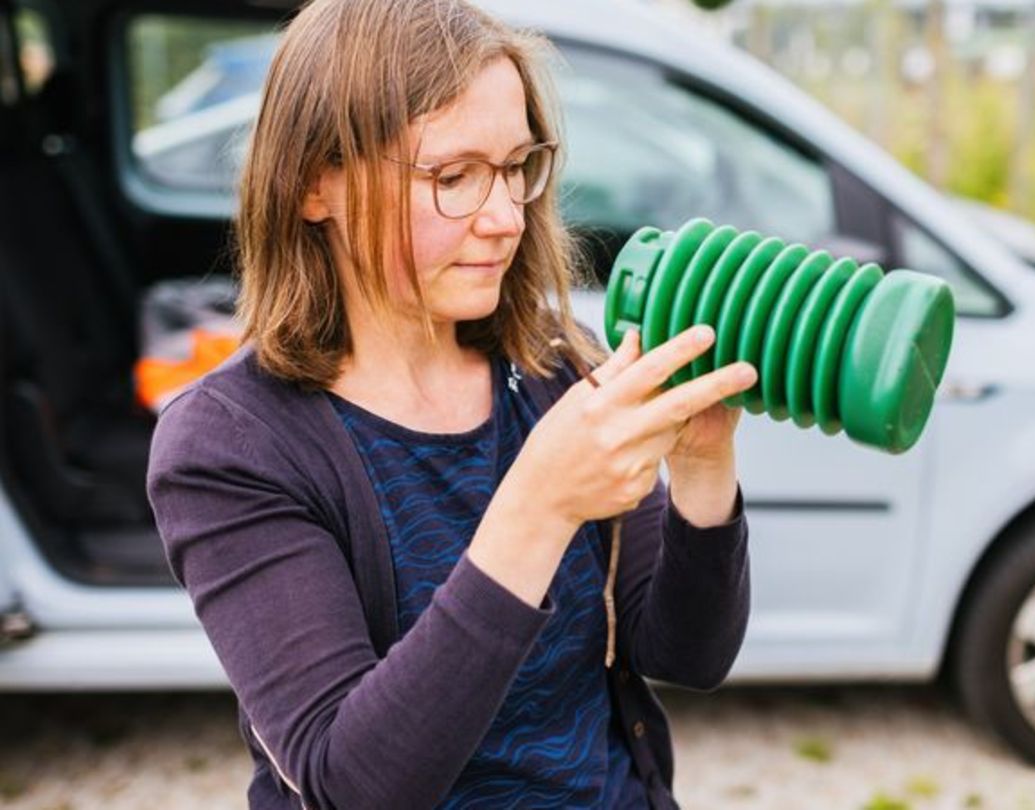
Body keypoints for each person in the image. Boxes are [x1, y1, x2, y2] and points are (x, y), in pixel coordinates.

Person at [145, 0, 758, 807]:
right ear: (313, 186)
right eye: (454, 177)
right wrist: (537, 507)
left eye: (514, 168)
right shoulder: (231, 447)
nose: (506, 217)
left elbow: (687, 653)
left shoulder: (554, 362)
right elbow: (352, 781)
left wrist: (704, 470)